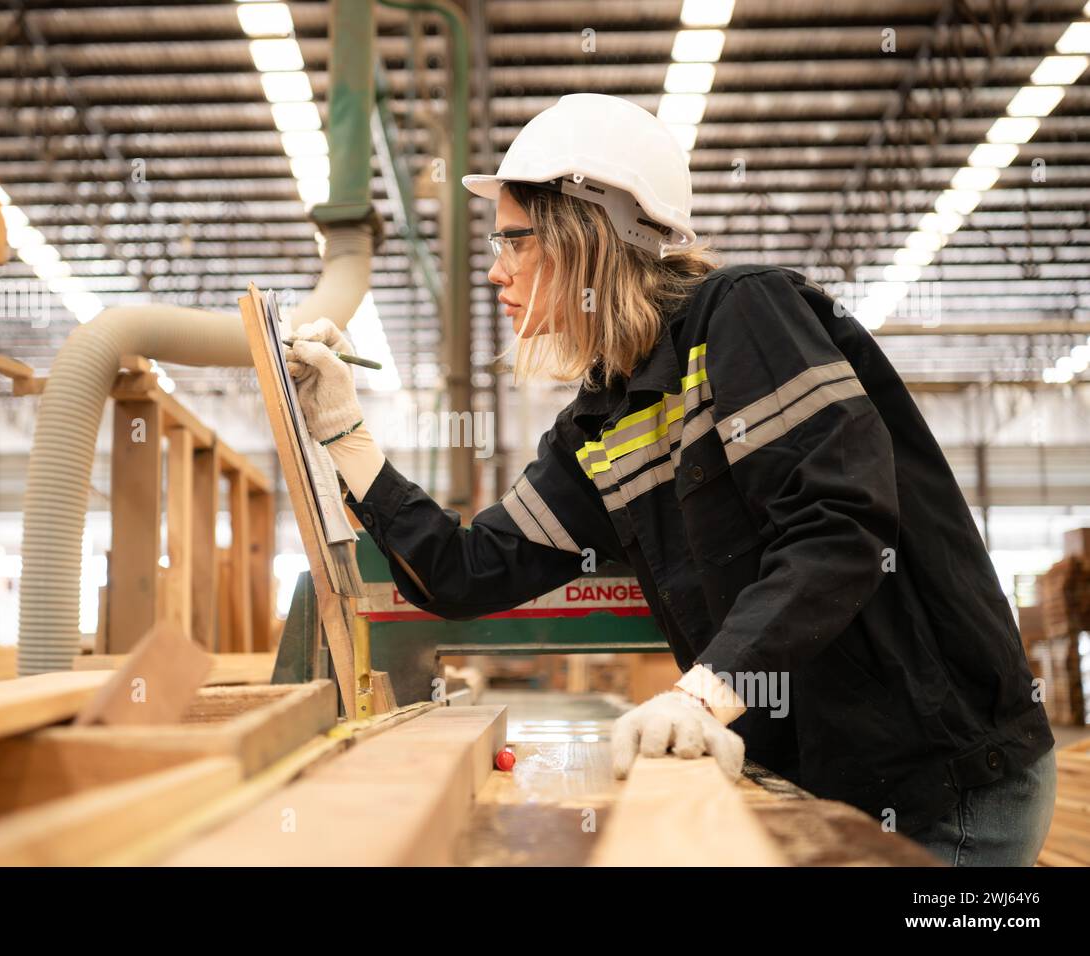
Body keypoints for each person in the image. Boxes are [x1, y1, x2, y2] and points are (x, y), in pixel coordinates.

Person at [284, 93, 1056, 866]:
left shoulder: (744, 318)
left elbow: (838, 529)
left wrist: (704, 693)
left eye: (515, 241)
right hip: (823, 779)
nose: (495, 271)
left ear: (587, 232)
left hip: (943, 783)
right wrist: (344, 434)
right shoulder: (602, 421)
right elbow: (463, 573)